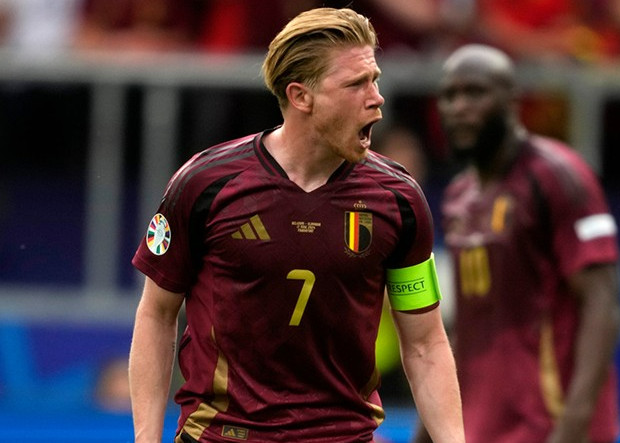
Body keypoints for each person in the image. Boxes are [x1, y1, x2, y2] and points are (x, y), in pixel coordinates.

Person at [128, 7, 464, 443]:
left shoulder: (399, 199)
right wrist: (145, 437)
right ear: (301, 97)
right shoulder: (205, 184)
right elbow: (156, 314)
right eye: (356, 84)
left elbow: (425, 343)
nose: (377, 97)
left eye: (375, 79)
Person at [413, 44, 620, 443]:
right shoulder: (459, 198)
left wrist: (575, 423)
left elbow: (602, 302)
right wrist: (428, 430)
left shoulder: (558, 177)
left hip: (550, 423)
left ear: (512, 101)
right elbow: (466, 328)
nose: (459, 107)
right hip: (483, 426)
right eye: (449, 95)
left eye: (475, 92)